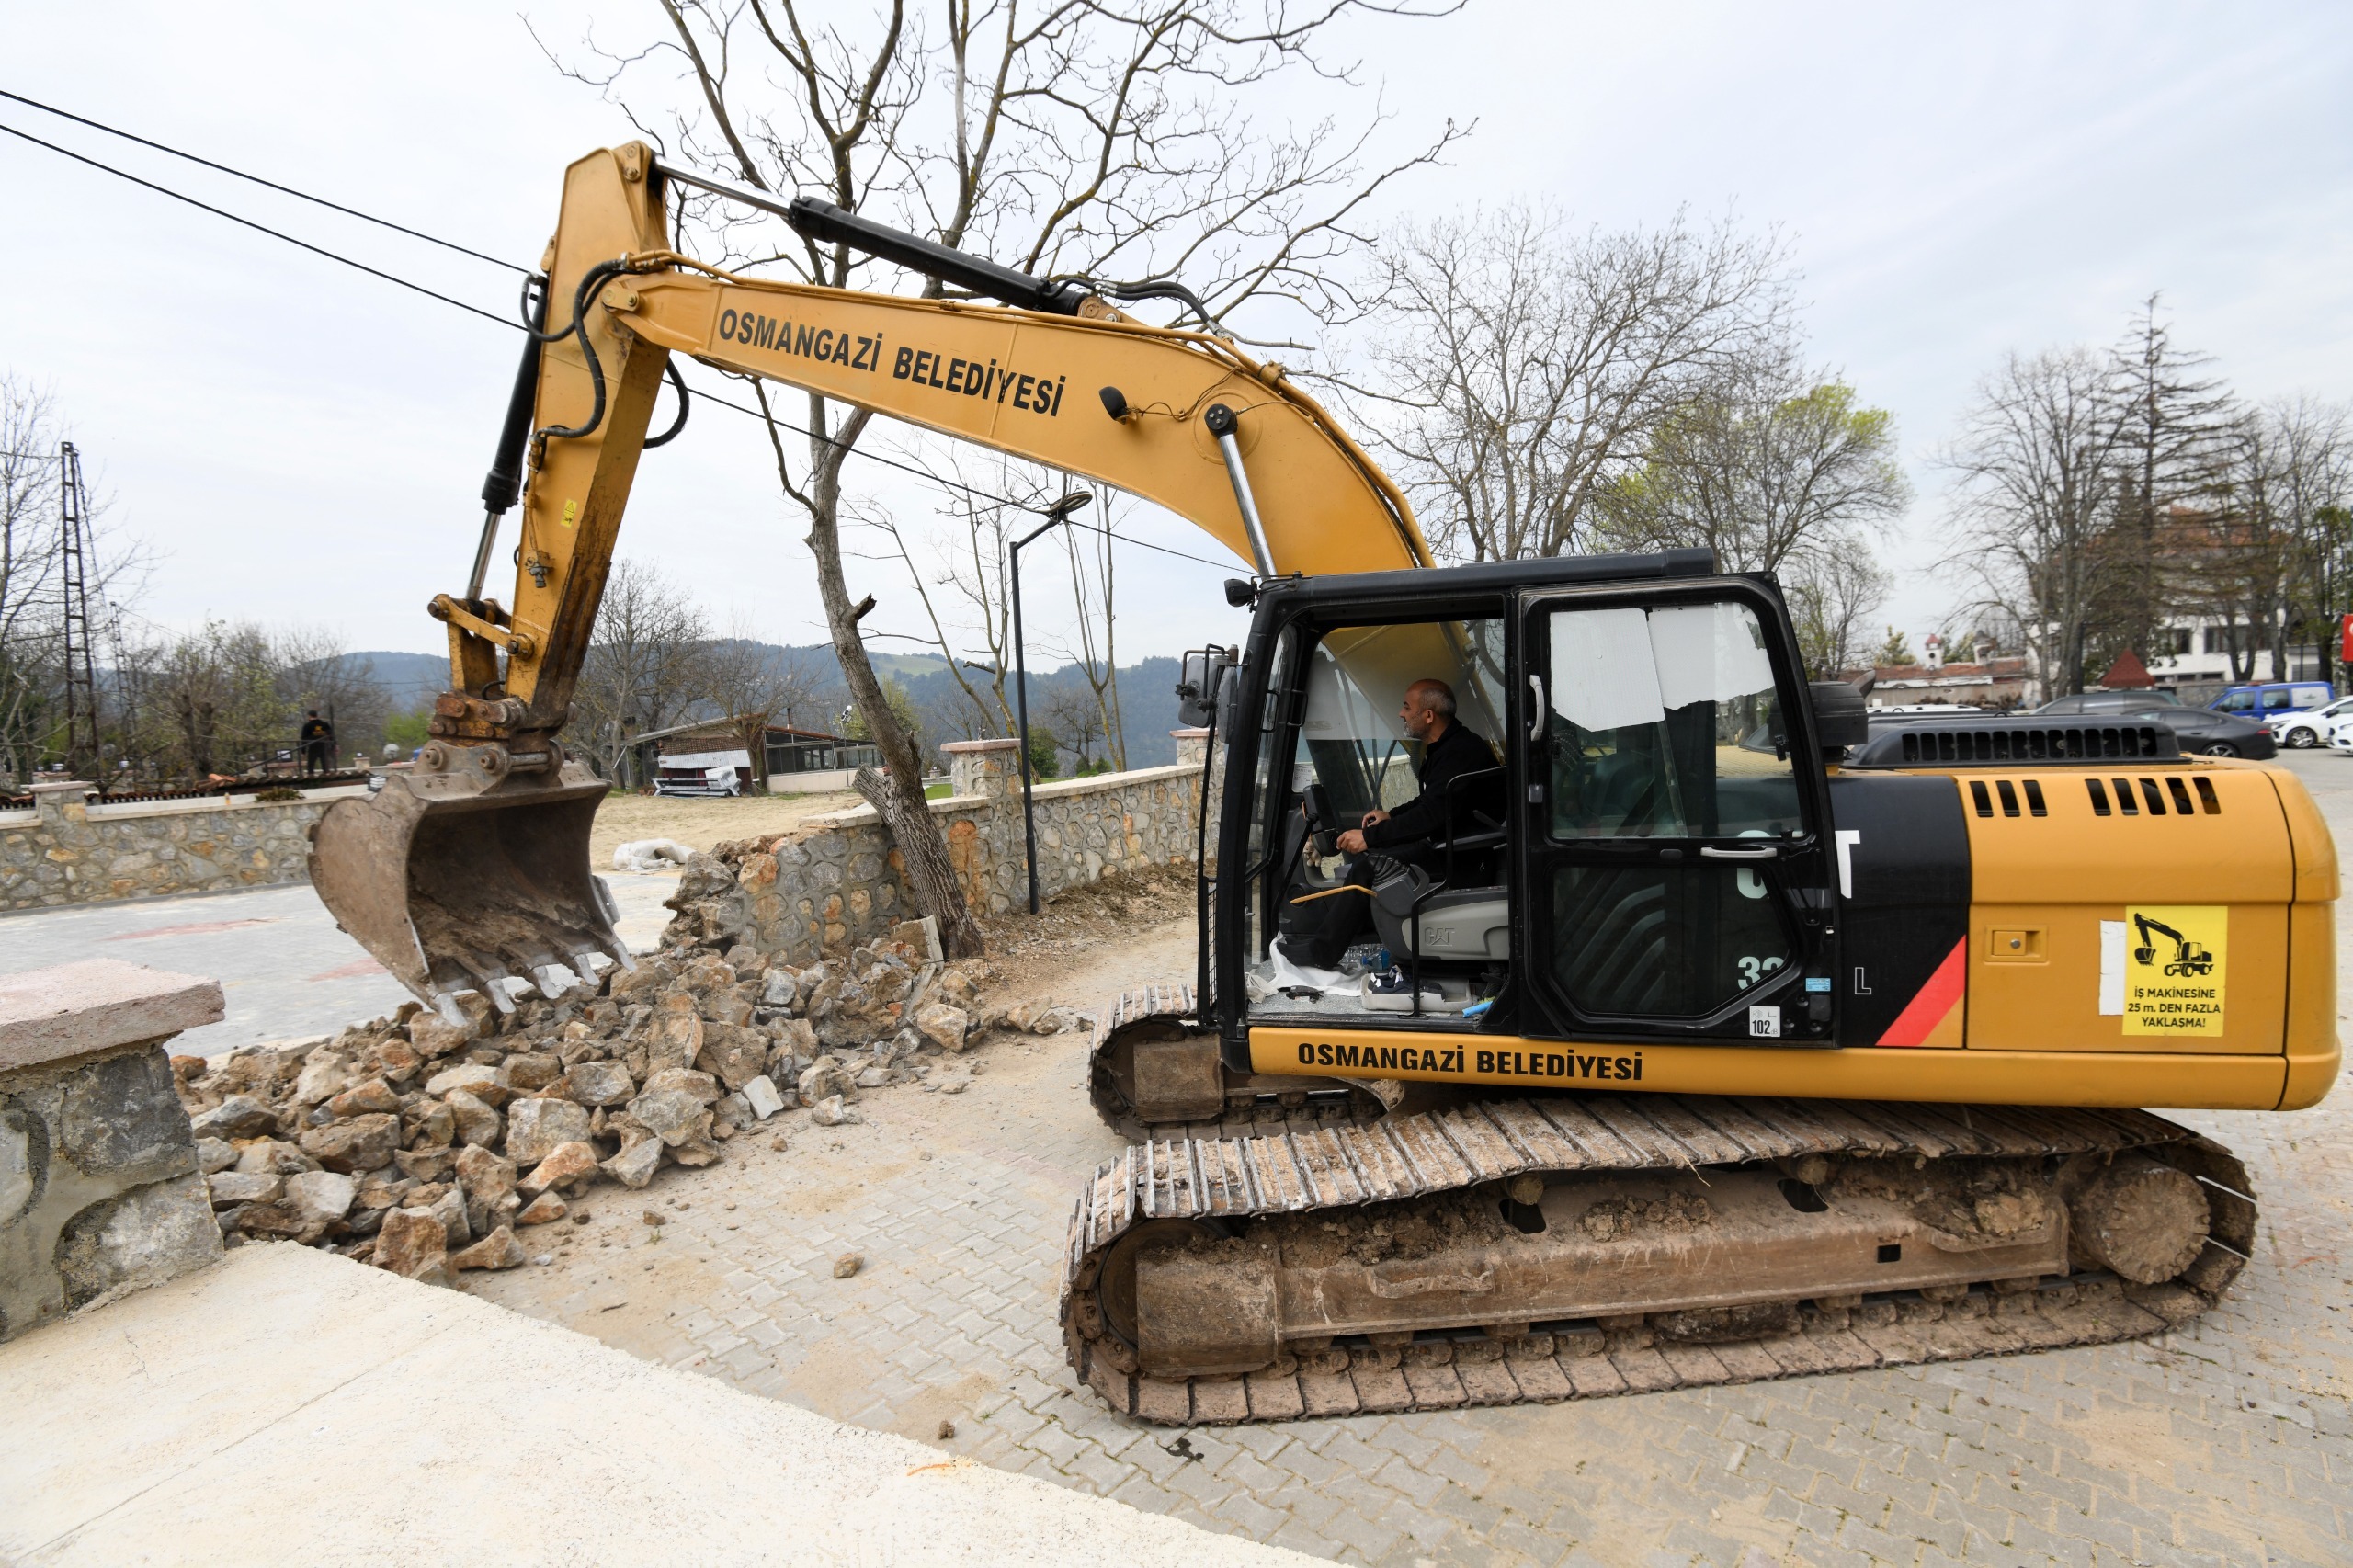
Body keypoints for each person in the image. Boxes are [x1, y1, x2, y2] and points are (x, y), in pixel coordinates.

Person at [1283, 678, 1504, 969]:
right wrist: (1392, 816)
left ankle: (1323, 952)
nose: (1401, 714)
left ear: (1428, 715)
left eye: (1406, 707)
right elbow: (1434, 804)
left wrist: (1370, 838)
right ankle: (1353, 936)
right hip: (1449, 845)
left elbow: (1432, 816)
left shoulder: (1460, 753)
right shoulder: (1450, 746)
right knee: (1371, 859)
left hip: (1463, 859)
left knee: (1369, 865)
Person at [299, 710, 335, 776]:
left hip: (313, 747)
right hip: (324, 747)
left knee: (311, 766)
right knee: (325, 766)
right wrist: (333, 747)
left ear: (309, 716)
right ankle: (327, 776)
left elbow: (303, 739)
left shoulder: (307, 726)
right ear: (317, 716)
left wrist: (303, 751)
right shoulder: (325, 724)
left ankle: (311, 777)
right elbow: (331, 736)